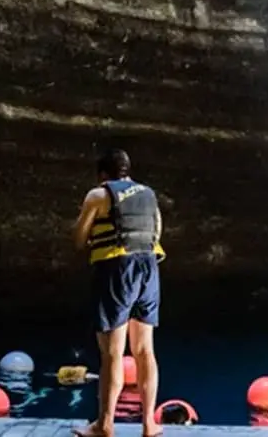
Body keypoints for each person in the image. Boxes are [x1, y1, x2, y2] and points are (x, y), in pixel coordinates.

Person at [72, 149, 164, 437]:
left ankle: (105, 424)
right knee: (144, 349)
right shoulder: (149, 194)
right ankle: (149, 424)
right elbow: (157, 232)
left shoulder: (99, 195)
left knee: (112, 353)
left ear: (103, 175)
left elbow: (78, 238)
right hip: (148, 268)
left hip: (116, 269)